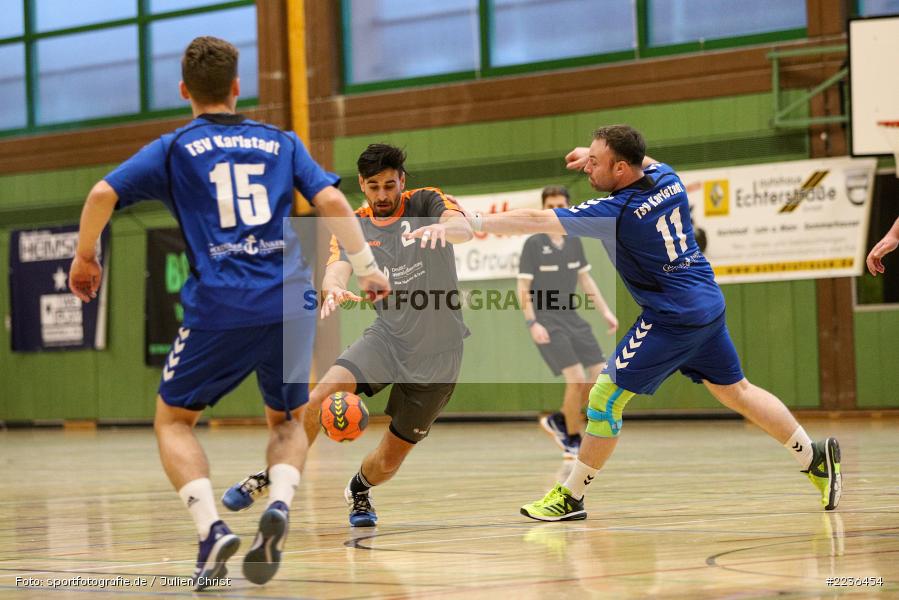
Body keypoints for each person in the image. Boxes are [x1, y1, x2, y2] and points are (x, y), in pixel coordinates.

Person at [68, 37, 389, 590]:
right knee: (287, 420)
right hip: (290, 300)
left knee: (174, 419)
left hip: (221, 302)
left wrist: (84, 256)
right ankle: (281, 504)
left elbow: (102, 194)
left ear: (184, 90)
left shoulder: (173, 147)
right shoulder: (281, 141)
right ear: (239, 88)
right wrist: (366, 267)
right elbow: (333, 202)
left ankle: (210, 529)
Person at [408, 124, 842, 520]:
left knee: (604, 398)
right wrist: (592, 151)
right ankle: (814, 457)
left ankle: (570, 497)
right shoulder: (668, 177)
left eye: (596, 162)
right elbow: (643, 159)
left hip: (672, 316)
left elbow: (540, 220)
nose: (588, 168)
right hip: (707, 302)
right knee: (738, 390)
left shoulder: (615, 211)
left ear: (620, 168)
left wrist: (475, 220)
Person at [222, 143, 473, 527]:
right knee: (316, 399)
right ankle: (273, 474)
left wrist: (444, 228)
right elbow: (336, 266)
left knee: (388, 461)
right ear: (362, 185)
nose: (382, 195)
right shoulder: (354, 223)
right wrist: (334, 286)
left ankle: (358, 490)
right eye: (374, 187)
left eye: (390, 185)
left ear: (402, 181)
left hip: (439, 355)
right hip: (387, 339)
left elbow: (462, 227)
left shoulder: (426, 202)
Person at [518, 185, 617, 458]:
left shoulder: (574, 241)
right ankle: (572, 436)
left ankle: (561, 419)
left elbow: (586, 281)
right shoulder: (534, 244)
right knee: (575, 379)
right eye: (550, 206)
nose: (555, 210)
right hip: (546, 318)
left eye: (560, 205)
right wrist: (532, 323)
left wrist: (606, 312)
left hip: (572, 316)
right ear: (543, 209)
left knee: (598, 376)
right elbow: (522, 289)